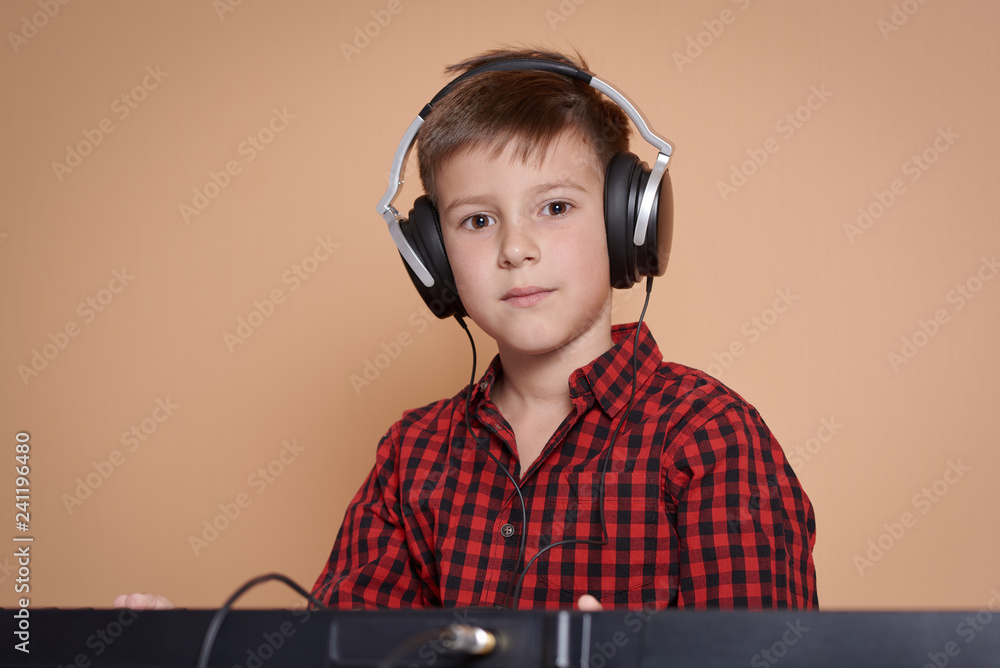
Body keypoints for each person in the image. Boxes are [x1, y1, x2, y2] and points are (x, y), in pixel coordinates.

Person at [117, 46, 817, 612]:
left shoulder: (707, 435)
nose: (517, 248)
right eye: (477, 221)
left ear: (625, 222)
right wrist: (187, 651)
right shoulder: (413, 457)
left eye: (555, 208)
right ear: (434, 258)